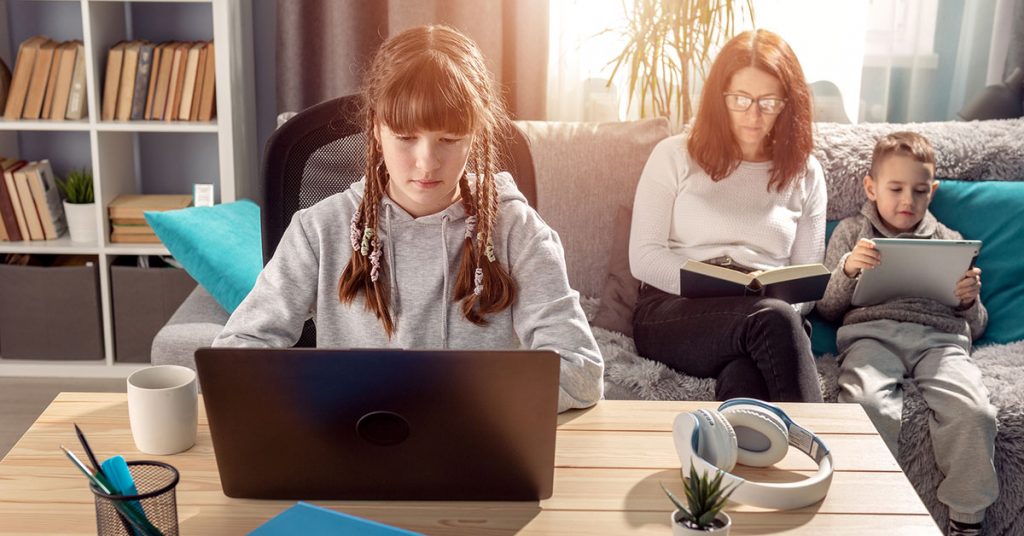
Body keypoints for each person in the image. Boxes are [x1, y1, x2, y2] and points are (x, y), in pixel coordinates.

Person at [214, 25, 603, 413]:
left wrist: (455, 399)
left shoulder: (517, 230)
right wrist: (315, 398)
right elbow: (235, 355)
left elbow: (581, 372)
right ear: (376, 130)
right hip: (351, 447)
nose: (427, 162)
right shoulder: (319, 229)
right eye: (405, 137)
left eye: (449, 140)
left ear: (476, 134)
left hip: (474, 452)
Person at [629, 29, 825, 403]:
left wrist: (767, 296)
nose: (753, 114)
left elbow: (806, 283)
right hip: (675, 310)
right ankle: (820, 450)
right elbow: (645, 258)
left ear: (789, 104)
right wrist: (729, 288)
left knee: (745, 369)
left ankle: (736, 458)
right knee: (774, 319)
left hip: (767, 317)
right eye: (740, 99)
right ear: (720, 99)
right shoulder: (673, 155)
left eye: (769, 102)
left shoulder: (806, 172)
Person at [816, 132, 996, 536]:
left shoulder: (951, 240)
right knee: (867, 405)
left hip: (941, 339)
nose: (907, 202)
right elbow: (826, 306)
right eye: (895, 189)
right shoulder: (851, 231)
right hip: (871, 335)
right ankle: (866, 511)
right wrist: (847, 269)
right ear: (871, 187)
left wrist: (969, 301)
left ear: (932, 191)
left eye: (919, 191)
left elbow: (978, 326)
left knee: (975, 412)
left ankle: (967, 520)